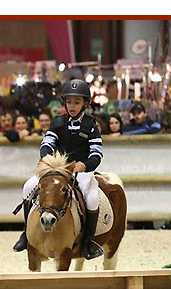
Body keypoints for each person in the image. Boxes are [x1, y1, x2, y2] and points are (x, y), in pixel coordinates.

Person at [13, 79, 104, 260]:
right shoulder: (57, 122)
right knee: (27, 186)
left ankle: (88, 241)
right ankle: (25, 234)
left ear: (85, 103)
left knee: (92, 198)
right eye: (69, 101)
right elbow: (47, 143)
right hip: (58, 171)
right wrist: (47, 158)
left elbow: (97, 153)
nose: (72, 106)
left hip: (81, 171)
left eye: (77, 102)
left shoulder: (91, 125)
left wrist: (85, 165)